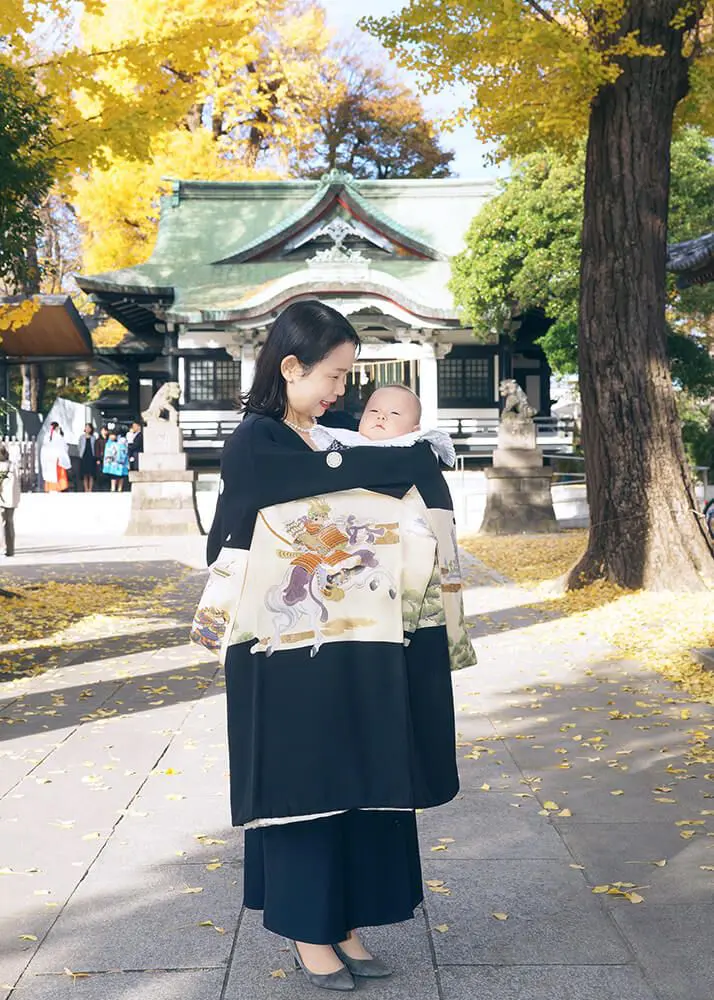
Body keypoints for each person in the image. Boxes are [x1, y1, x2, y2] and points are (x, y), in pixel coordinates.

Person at [205, 300, 473, 991]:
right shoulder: (259, 441)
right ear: (291, 367)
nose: (340, 391)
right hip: (287, 648)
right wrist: (402, 459)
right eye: (333, 375)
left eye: (346, 377)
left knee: (359, 771)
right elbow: (337, 487)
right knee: (308, 778)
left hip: (354, 638)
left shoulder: (331, 436)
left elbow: (387, 482)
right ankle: (308, 927)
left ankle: (346, 919)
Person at [310, 384, 456, 466]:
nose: (381, 417)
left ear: (414, 430)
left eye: (394, 413)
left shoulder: (415, 451)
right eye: (373, 411)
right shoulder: (343, 439)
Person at [0, 444, 20, 558]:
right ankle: (10, 549)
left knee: (1, 523)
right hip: (11, 499)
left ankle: (2, 547)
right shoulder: (12, 466)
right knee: (9, 523)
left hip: (2, 498)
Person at [40, 422, 71, 492]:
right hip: (57, 458)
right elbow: (64, 447)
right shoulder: (58, 436)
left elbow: (44, 448)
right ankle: (58, 487)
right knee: (58, 473)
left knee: (50, 473)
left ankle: (50, 487)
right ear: (57, 428)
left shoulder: (46, 436)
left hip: (49, 458)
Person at [78, 423, 98, 492]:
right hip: (84, 456)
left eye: (89, 428)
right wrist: (80, 453)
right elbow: (79, 446)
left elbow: (95, 447)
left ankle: (90, 489)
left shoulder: (93, 437)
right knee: (84, 474)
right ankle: (86, 489)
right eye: (86, 427)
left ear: (91, 429)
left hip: (91, 456)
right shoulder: (81, 437)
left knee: (91, 474)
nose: (87, 429)